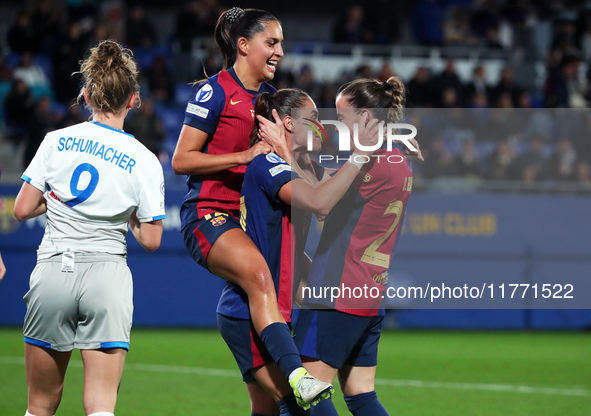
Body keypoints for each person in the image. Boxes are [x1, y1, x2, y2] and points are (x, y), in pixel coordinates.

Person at [171, 7, 333, 409]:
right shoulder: (216, 92)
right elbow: (181, 160)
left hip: (248, 221)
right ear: (243, 45)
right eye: (271, 42)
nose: (279, 51)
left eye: (281, 43)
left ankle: (283, 373)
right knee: (261, 277)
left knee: (263, 405)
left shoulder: (267, 102)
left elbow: (289, 171)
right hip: (208, 215)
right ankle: (298, 376)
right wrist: (243, 155)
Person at [13, 40, 165, 416]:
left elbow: (21, 209)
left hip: (53, 271)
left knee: (40, 405)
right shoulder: (145, 160)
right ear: (133, 100)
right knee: (100, 406)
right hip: (107, 277)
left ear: (86, 95)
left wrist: (59, 199)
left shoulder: (55, 140)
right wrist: (126, 213)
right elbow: (151, 239)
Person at [219, 88, 382, 415]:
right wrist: (361, 154)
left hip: (277, 309)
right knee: (302, 403)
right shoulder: (266, 164)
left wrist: (393, 146)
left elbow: (336, 187)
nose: (322, 127)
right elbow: (321, 202)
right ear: (289, 123)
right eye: (313, 120)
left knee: (267, 409)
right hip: (250, 312)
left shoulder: (302, 166)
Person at [293, 77, 414, 416]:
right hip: (370, 293)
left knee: (308, 393)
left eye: (343, 116)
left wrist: (285, 151)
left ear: (364, 117)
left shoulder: (368, 165)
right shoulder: (397, 160)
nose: (338, 123)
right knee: (360, 394)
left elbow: (320, 202)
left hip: (338, 290)